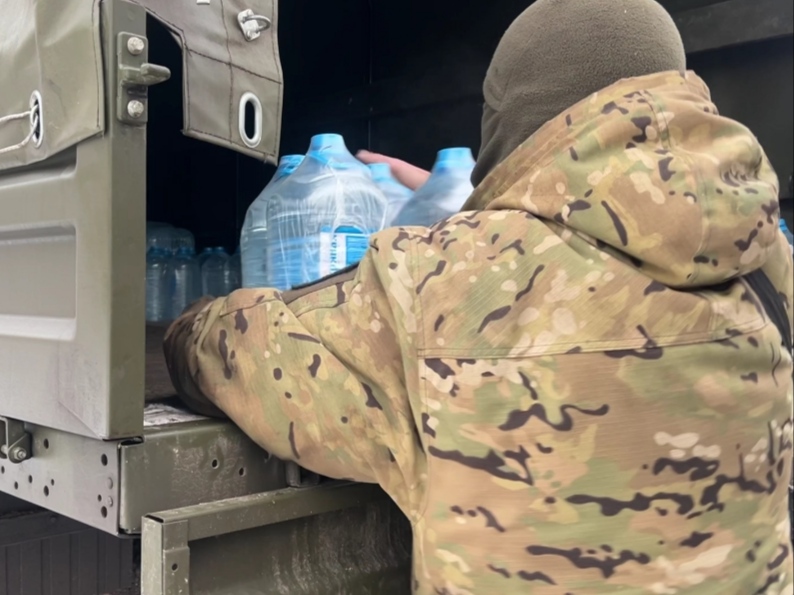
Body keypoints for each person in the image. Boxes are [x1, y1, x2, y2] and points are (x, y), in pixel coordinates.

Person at [163, 0, 793, 592]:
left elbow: (246, 354)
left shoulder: (442, 285)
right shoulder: (767, 260)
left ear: (514, 120)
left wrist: (185, 329)